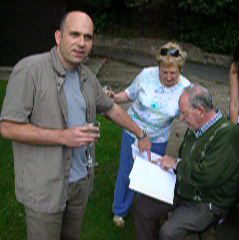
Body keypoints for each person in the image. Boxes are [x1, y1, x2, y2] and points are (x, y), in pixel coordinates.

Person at [0, 11, 151, 240]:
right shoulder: (30, 70)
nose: (82, 43)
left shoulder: (87, 77)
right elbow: (8, 127)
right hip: (45, 187)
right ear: (59, 37)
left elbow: (110, 107)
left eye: (88, 37)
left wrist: (141, 133)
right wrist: (63, 137)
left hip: (80, 183)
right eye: (75, 35)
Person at [133, 84, 239, 240]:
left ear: (200, 111)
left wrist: (176, 164)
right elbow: (184, 158)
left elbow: (207, 176)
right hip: (185, 189)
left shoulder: (227, 134)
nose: (181, 118)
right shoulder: (197, 127)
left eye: (185, 113)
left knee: (168, 233)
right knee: (142, 206)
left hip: (208, 202)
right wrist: (165, 166)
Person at [108, 42, 191, 227]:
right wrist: (115, 98)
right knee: (127, 172)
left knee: (151, 175)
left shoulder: (185, 89)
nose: (169, 77)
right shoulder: (146, 75)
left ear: (180, 69)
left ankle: (146, 212)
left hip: (159, 138)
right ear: (158, 67)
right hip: (133, 130)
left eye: (173, 73)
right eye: (164, 72)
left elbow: (188, 114)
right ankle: (120, 211)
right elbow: (129, 94)